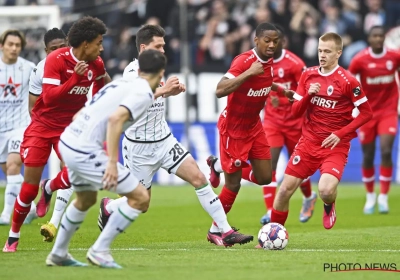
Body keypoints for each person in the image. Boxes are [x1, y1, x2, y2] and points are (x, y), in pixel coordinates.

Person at [98, 24, 253, 247]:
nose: (163, 50)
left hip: (164, 140)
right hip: (139, 148)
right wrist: (165, 91)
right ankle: (109, 207)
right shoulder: (131, 72)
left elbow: (154, 97)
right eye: (158, 46)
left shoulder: (158, 67)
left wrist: (170, 91)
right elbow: (137, 98)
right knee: (142, 203)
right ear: (143, 47)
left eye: (163, 45)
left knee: (199, 178)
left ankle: (223, 231)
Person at [46, 49, 167, 268]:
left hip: (69, 140)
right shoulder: (144, 93)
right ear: (161, 73)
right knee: (141, 198)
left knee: (86, 199)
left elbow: (79, 114)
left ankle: (58, 254)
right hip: (84, 149)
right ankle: (99, 250)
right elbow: (115, 121)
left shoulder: (120, 83)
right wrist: (111, 162)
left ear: (139, 70)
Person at [3, 16, 109, 253]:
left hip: (70, 128)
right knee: (29, 188)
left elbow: (101, 93)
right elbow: (49, 98)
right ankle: (13, 235)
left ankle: (49, 187)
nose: (101, 48)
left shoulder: (97, 64)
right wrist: (75, 79)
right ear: (85, 43)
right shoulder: (55, 60)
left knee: (78, 173)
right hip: (42, 125)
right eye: (99, 43)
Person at [270, 32, 373, 230]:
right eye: (319, 51)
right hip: (308, 142)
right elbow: (295, 111)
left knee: (325, 190)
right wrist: (308, 95)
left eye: (327, 51)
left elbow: (366, 114)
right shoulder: (308, 75)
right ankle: (273, 233)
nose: (322, 55)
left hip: (335, 144)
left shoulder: (348, 81)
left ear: (338, 53)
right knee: (284, 191)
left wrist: (340, 134)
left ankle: (328, 204)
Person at [205, 22, 294, 245]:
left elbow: (264, 80)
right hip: (233, 129)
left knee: (265, 177)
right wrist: (248, 72)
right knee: (233, 184)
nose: (272, 44)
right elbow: (219, 90)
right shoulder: (244, 61)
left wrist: (281, 90)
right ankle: (216, 230)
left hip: (254, 126)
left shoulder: (269, 61)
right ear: (256, 40)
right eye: (267, 40)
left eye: (276, 41)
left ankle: (218, 166)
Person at [28, 28, 76, 241]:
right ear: (46, 51)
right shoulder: (40, 71)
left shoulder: (80, 62)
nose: (58, 51)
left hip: (74, 124)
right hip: (49, 126)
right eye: (53, 49)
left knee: (72, 171)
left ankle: (53, 219)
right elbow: (33, 108)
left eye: (61, 47)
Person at [348, 26, 400, 215]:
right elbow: (349, 81)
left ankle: (383, 197)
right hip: (367, 113)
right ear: (369, 39)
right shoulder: (360, 59)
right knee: (368, 156)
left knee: (386, 151)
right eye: (374, 36)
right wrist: (355, 101)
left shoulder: (394, 57)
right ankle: (370, 196)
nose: (378, 39)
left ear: (384, 38)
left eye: (380, 36)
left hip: (388, 112)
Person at [0, 29, 36, 225]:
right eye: (10, 44)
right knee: (8, 171)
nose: (14, 48)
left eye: (17, 45)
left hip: (20, 126)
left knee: (14, 166)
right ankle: (29, 205)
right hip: (0, 129)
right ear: (2, 46)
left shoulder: (29, 68)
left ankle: (7, 214)